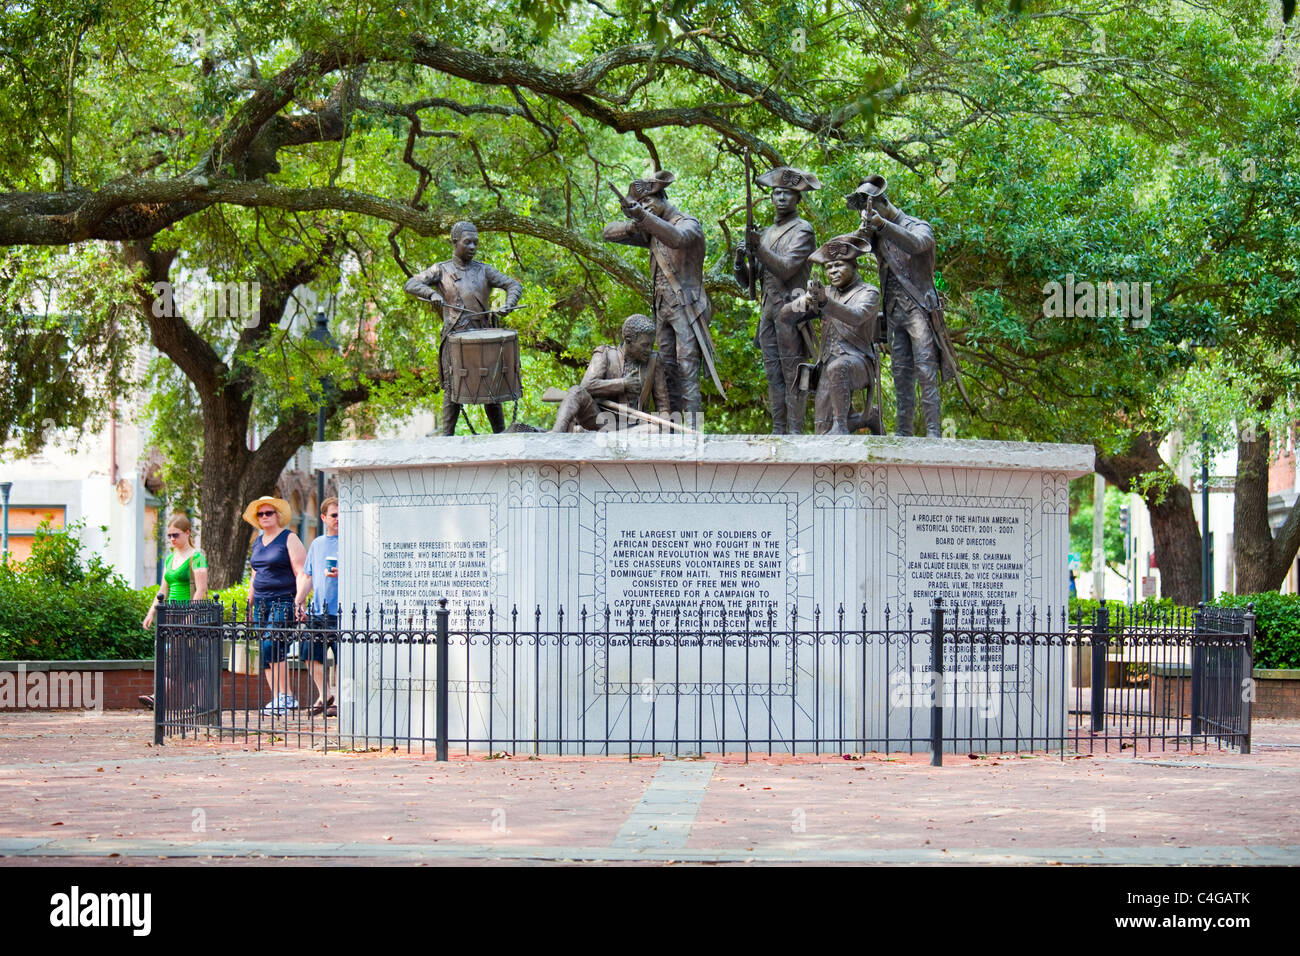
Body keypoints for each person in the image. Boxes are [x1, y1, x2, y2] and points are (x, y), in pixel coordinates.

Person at [849, 174, 961, 437]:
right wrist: (863, 230)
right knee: (901, 375)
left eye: (872, 208)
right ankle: (903, 433)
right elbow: (849, 251)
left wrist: (882, 225)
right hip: (895, 313)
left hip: (920, 310)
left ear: (884, 203)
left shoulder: (917, 225)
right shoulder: (876, 234)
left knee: (925, 370)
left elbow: (917, 244)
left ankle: (934, 432)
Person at [603, 170, 718, 423]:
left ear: (663, 197)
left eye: (649, 202)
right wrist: (635, 222)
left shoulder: (688, 224)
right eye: (641, 204)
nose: (646, 207)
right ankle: (673, 432)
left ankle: (694, 432)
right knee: (667, 373)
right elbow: (607, 233)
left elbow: (676, 239)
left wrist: (643, 217)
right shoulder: (652, 230)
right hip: (662, 309)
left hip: (687, 308)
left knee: (687, 370)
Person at [404, 220, 523, 435]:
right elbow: (411, 284)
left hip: (484, 340)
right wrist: (432, 294)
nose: (473, 247)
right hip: (455, 340)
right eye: (468, 243)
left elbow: (513, 284)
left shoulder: (484, 271)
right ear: (455, 242)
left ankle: (502, 437)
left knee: (492, 390)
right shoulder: (440, 270)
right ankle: (446, 439)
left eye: (476, 243)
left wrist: (508, 305)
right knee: (452, 392)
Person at [734, 166, 820, 433]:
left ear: (798, 199)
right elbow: (752, 280)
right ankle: (779, 429)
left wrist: (758, 247)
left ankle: (795, 431)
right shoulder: (767, 232)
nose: (781, 198)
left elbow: (785, 269)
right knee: (773, 376)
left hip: (792, 312)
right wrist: (741, 261)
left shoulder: (803, 230)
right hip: (768, 313)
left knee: (794, 375)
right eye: (777, 193)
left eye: (788, 194)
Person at [785, 234, 882, 435]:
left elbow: (856, 317)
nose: (833, 271)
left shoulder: (868, 292)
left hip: (859, 363)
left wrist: (825, 303)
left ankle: (842, 425)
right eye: (828, 268)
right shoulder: (825, 293)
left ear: (855, 266)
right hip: (827, 366)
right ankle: (868, 417)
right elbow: (784, 316)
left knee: (839, 367)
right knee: (821, 430)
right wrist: (805, 300)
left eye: (839, 265)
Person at [243, 495, 307, 715]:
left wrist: (300, 601)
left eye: (268, 513)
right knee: (266, 650)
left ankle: (286, 697)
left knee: (273, 645)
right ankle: (279, 697)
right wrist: (248, 604)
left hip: (284, 599)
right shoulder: (258, 542)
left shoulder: (289, 538)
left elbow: (301, 572)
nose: (264, 517)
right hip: (261, 601)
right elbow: (254, 575)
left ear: (277, 516)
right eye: (260, 514)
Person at [551, 314, 668, 432]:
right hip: (601, 421)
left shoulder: (654, 361)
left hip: (635, 427)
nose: (649, 350)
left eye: (651, 345)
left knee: (654, 429)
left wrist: (665, 427)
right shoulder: (604, 354)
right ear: (628, 341)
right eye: (644, 345)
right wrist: (623, 384)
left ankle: (598, 436)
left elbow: (663, 407)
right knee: (576, 391)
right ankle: (556, 434)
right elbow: (586, 386)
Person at [138, 514, 208, 709]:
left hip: (188, 612)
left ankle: (157, 696)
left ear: (187, 533)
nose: (172, 539)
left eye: (176, 535)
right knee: (188, 659)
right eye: (169, 536)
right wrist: (151, 612)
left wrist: (191, 615)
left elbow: (201, 588)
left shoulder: (197, 556)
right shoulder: (170, 558)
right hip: (171, 612)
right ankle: (202, 702)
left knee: (174, 656)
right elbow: (163, 589)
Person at [295, 497, 340, 717]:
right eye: (334, 515)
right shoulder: (317, 544)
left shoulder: (352, 541)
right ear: (323, 518)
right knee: (310, 656)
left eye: (342, 514)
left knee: (344, 660)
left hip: (342, 612)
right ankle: (325, 695)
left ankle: (340, 701)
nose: (338, 519)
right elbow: (308, 575)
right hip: (318, 612)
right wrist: (299, 600)